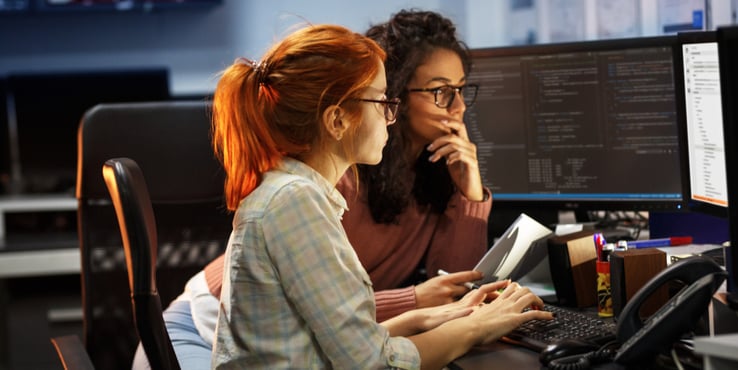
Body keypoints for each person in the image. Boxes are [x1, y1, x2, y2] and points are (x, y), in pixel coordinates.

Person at [133, 9, 499, 369]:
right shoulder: (314, 189)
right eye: (439, 91)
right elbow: (359, 347)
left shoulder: (337, 182)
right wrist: (427, 308)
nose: (459, 107)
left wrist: (469, 194)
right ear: (339, 118)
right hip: (199, 327)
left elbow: (447, 290)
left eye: (461, 90)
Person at [207, 23, 551, 368]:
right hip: (198, 321)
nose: (390, 116)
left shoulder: (299, 192)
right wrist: (476, 327)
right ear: (337, 121)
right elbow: (374, 363)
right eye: (382, 101)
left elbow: (329, 341)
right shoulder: (296, 201)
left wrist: (435, 316)